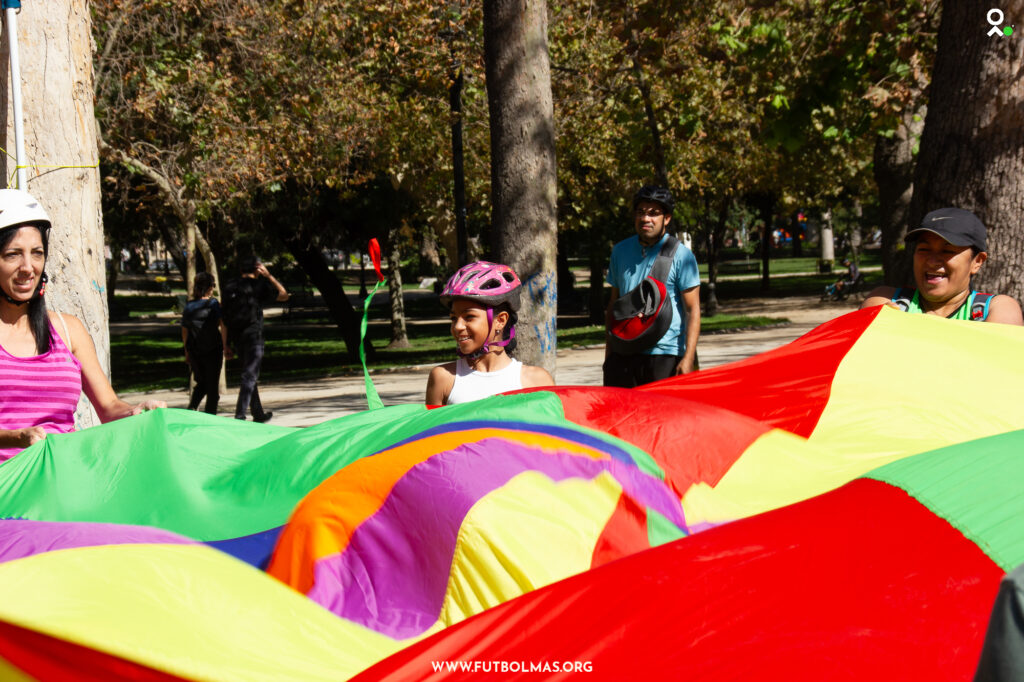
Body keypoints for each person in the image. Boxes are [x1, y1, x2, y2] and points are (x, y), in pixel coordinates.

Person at [0, 189, 164, 461]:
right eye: (13, 254)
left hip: (63, 488)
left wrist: (135, 411)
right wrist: (18, 437)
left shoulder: (68, 330)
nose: (28, 267)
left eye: (37, 253)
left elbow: (109, 407)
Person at [603, 185, 701, 387]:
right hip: (623, 354)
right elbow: (613, 306)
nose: (646, 218)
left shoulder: (682, 256)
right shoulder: (620, 251)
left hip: (665, 356)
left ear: (667, 218)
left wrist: (688, 358)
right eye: (641, 212)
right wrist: (609, 355)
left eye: (654, 213)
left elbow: (692, 310)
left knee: (664, 418)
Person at [861, 207, 1023, 324]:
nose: (932, 261)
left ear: (977, 262)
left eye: (948, 251)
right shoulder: (883, 300)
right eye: (924, 249)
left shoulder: (999, 309)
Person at [425, 261, 553, 406]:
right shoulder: (444, 378)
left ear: (500, 320)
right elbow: (432, 429)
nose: (458, 326)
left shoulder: (535, 381)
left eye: (469, 317)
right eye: (454, 318)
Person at [222, 256, 288, 421]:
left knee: (249, 374)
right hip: (253, 336)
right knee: (249, 375)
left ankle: (258, 413)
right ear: (257, 269)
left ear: (240, 270)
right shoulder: (259, 285)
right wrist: (269, 276)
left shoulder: (230, 286)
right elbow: (283, 294)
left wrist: (225, 344)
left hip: (236, 337)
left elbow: (224, 318)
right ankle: (240, 414)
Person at [181, 271, 230, 414]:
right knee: (212, 388)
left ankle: (191, 409)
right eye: (213, 285)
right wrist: (226, 344)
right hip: (213, 349)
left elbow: (185, 331)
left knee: (201, 383)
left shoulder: (189, 306)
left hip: (195, 350)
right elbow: (223, 325)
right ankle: (210, 417)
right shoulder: (213, 304)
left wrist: (186, 351)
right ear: (209, 287)